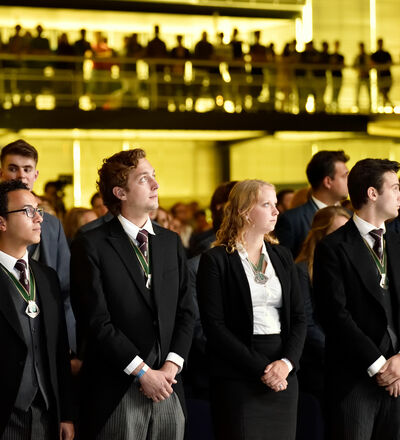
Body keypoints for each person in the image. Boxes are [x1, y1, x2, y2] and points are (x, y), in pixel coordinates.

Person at [70, 148, 194, 440]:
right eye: (143, 179)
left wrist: (171, 366)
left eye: (154, 176)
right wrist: (142, 372)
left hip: (169, 385)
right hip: (117, 386)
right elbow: (96, 321)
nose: (155, 185)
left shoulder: (170, 242)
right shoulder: (91, 244)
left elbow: (187, 310)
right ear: (120, 192)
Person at [197, 179, 306, 440]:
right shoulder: (216, 259)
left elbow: (299, 317)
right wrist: (262, 369)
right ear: (245, 211)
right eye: (266, 204)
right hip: (238, 372)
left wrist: (286, 363)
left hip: (283, 369)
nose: (276, 211)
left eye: (276, 204)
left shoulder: (282, 255)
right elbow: (214, 327)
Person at [314, 158, 400, 439]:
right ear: (373, 194)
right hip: (355, 378)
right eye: (395, 187)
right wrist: (379, 366)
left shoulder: (398, 243)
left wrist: (399, 361)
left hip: (399, 375)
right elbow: (334, 315)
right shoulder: (333, 247)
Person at [0, 179, 74, 439]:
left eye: (39, 210)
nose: (39, 218)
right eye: (28, 211)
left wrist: (66, 413)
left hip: (46, 413)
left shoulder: (47, 277)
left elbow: (58, 351)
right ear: (2, 222)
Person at [0, 139, 75, 352]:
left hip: (48, 336)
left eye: (27, 169)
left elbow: (66, 288)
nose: (21, 176)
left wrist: (67, 345)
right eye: (13, 168)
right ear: (1, 172)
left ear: (35, 175)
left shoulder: (50, 225)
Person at [295, 206, 351, 400]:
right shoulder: (302, 270)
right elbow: (307, 322)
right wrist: (339, 352)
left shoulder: (351, 266)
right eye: (336, 232)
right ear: (321, 234)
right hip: (319, 363)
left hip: (350, 360)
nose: (343, 238)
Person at [275, 150, 349, 258]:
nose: (349, 181)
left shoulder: (350, 216)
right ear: (328, 182)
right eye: (345, 176)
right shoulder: (292, 220)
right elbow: (285, 266)